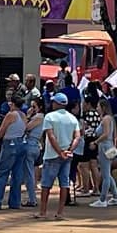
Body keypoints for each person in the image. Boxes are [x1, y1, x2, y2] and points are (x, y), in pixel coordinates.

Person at [40, 92, 81, 220]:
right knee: (64, 183)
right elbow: (77, 137)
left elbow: (51, 136)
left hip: (52, 155)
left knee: (46, 184)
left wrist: (59, 152)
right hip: (67, 155)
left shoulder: (49, 117)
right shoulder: (73, 118)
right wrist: (69, 150)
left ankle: (43, 212)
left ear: (57, 103)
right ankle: (60, 212)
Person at [0, 97, 27, 210]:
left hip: (10, 144)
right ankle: (15, 202)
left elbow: (0, 133)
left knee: (2, 173)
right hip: (21, 143)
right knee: (17, 174)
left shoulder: (11, 115)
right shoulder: (23, 115)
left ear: (13, 104)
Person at [89, 99, 117, 208]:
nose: (97, 108)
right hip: (107, 146)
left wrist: (95, 142)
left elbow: (106, 134)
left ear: (103, 107)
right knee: (107, 173)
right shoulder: (109, 119)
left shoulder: (106, 119)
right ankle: (116, 196)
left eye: (98, 106)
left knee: (105, 174)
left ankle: (103, 199)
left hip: (104, 146)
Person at [20, 98, 45, 207]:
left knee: (29, 174)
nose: (32, 109)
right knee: (29, 172)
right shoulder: (40, 117)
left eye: (34, 107)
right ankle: (31, 197)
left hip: (31, 144)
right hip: (34, 144)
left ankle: (32, 198)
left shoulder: (39, 117)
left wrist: (28, 116)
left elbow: (26, 127)